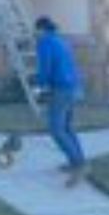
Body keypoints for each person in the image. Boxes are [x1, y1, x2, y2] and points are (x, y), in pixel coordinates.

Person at [33, 16, 88, 187]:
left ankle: (78, 165)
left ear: (41, 29)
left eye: (36, 30)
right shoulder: (61, 41)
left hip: (61, 89)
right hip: (74, 87)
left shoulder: (45, 43)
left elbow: (45, 67)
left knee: (56, 129)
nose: (35, 33)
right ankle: (78, 161)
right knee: (67, 127)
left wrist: (39, 87)